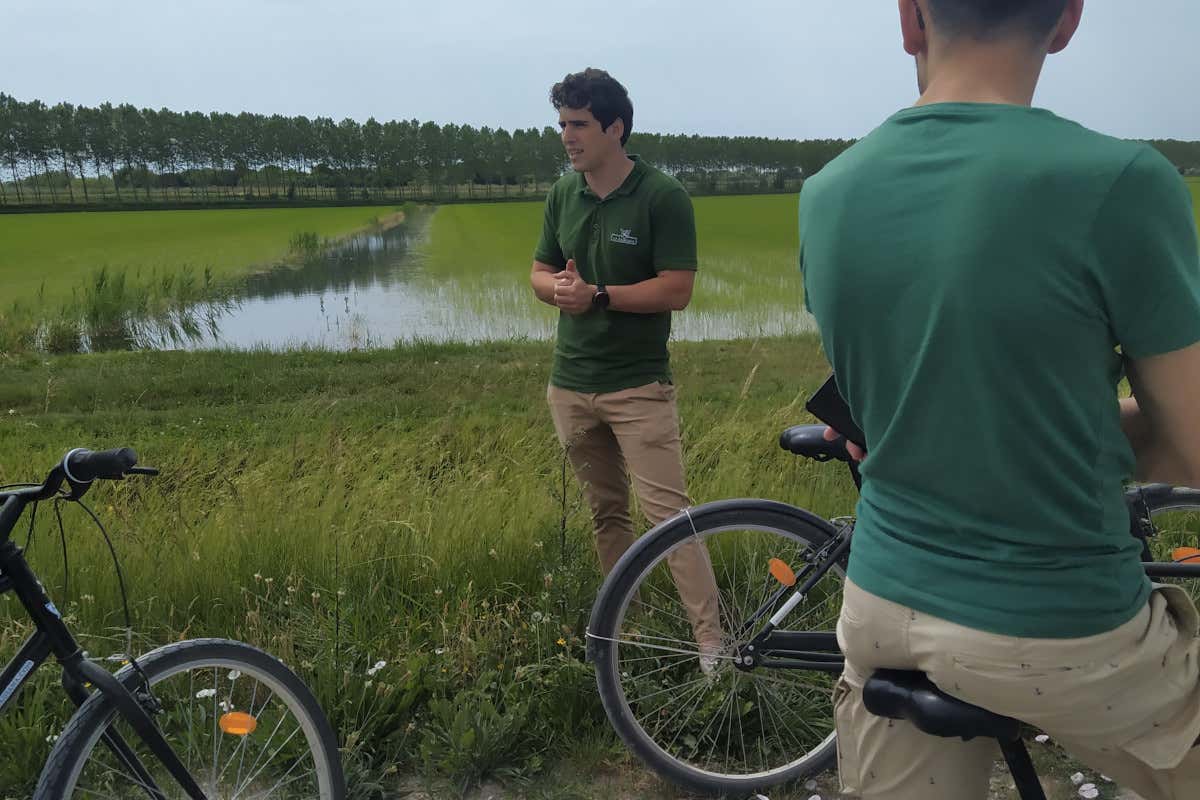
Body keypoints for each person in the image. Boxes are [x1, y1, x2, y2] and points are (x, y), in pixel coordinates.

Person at [799, 1, 1200, 798]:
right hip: (1059, 627)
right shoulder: (1122, 182)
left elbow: (906, 422)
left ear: (910, 19)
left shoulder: (827, 193)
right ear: (1068, 19)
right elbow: (1193, 445)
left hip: (881, 607)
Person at [529, 68, 722, 667]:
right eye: (562, 123)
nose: (567, 136)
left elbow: (677, 289)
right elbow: (538, 272)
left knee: (671, 520)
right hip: (571, 385)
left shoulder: (662, 196)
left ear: (615, 127)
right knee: (606, 514)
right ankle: (622, 636)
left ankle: (715, 647)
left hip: (638, 388)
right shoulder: (564, 192)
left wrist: (600, 295)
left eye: (579, 124)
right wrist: (557, 291)